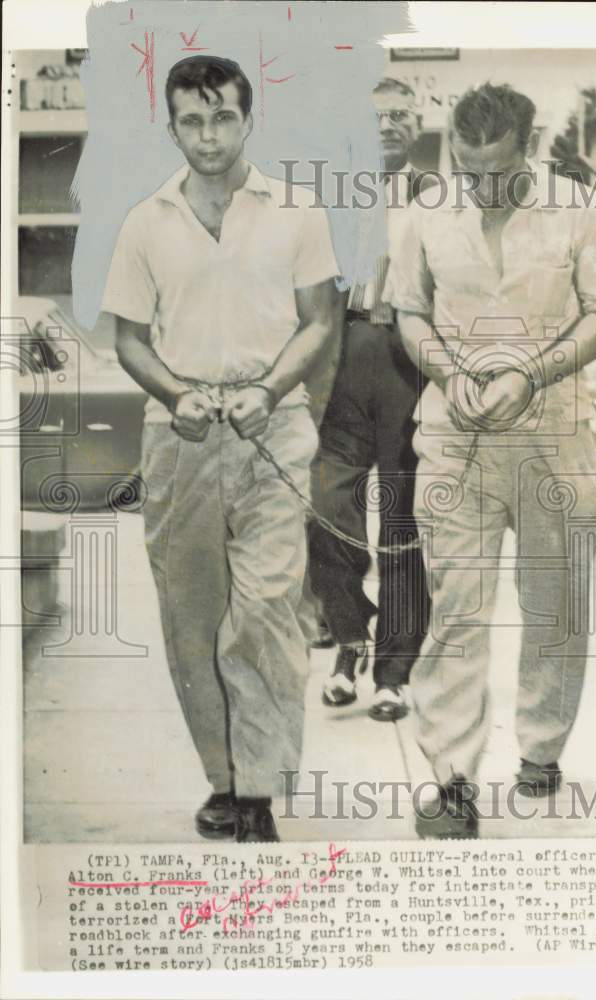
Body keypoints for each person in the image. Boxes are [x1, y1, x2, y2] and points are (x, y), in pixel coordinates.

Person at [386, 83, 596, 838]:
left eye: (495, 169)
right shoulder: (428, 212)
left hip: (553, 438)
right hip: (456, 438)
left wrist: (533, 372)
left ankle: (541, 749)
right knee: (456, 607)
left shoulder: (577, 210)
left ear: (526, 148)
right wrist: (446, 371)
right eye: (466, 168)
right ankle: (453, 780)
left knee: (554, 606)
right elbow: (409, 310)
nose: (480, 185)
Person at [101, 55, 339, 842]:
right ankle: (226, 780)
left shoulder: (297, 212)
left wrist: (267, 390)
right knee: (194, 620)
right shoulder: (146, 221)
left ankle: (262, 790)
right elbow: (130, 337)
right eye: (192, 121)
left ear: (247, 119)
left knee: (266, 612)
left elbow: (319, 321)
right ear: (172, 126)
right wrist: (176, 393)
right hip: (181, 440)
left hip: (273, 430)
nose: (209, 135)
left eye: (223, 117)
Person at [308, 78, 431, 722]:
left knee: (404, 522)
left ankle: (393, 672)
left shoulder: (442, 199)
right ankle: (348, 645)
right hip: (346, 355)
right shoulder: (330, 199)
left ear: (418, 125)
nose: (389, 125)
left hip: (410, 362)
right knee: (327, 509)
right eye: (377, 115)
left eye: (401, 115)